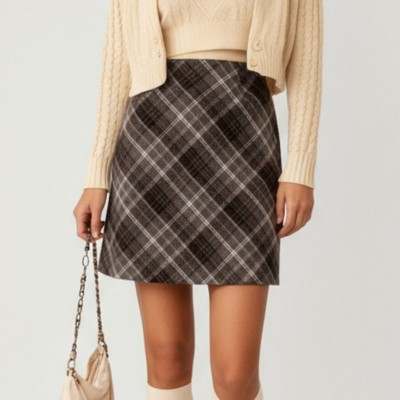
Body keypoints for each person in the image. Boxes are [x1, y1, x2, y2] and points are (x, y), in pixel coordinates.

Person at [73, 0, 323, 399]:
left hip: (244, 137)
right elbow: (118, 57)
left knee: (235, 377)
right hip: (152, 140)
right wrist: (96, 174)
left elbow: (307, 55)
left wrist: (300, 168)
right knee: (167, 356)